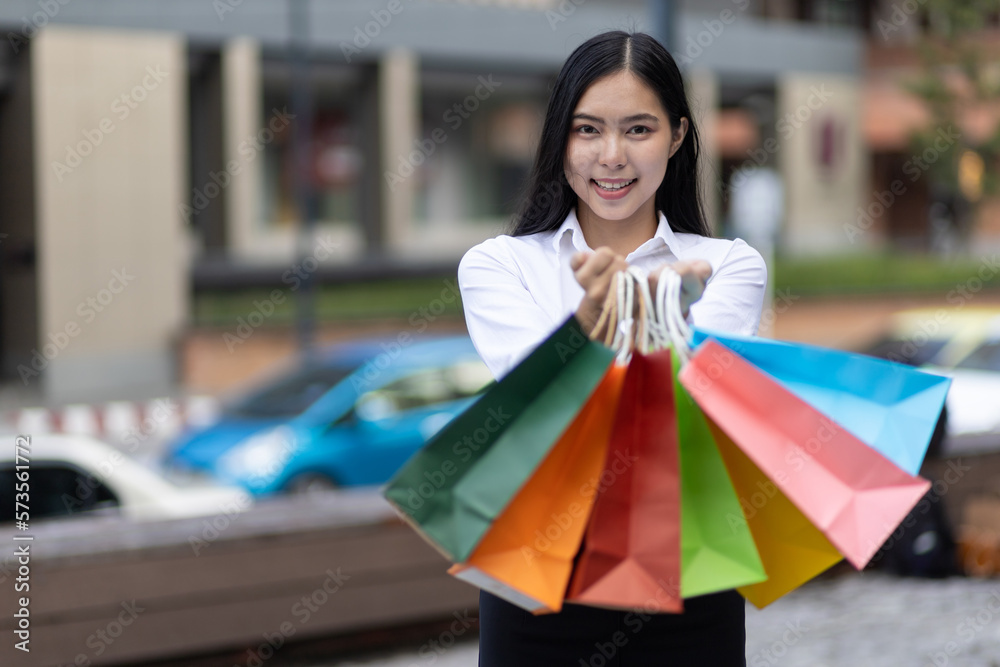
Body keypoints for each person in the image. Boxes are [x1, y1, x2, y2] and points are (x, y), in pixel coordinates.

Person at [457, 30, 766, 666]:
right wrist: (588, 335)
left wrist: (645, 332)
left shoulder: (729, 265)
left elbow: (697, 411)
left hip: (689, 571)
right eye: (588, 129)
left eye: (639, 130)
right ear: (558, 139)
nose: (612, 156)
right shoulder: (498, 264)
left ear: (678, 137)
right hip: (540, 578)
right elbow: (536, 403)